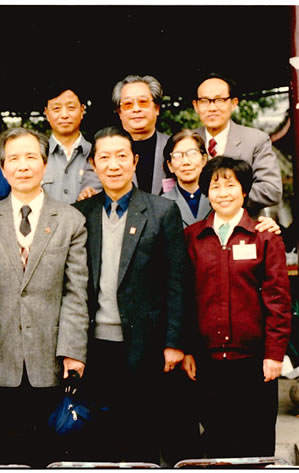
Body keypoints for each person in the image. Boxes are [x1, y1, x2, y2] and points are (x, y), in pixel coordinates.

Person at [73, 126, 187, 464]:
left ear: (135, 161)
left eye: (122, 156)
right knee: (98, 438)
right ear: (93, 164)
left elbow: (177, 281)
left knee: (141, 433)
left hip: (145, 345)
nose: (114, 165)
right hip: (94, 345)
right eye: (104, 157)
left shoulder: (162, 211)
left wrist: (174, 342)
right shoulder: (80, 214)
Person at [0, 127, 89, 468]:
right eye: (13, 158)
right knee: (6, 452)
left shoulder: (70, 219)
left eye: (30, 157)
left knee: (50, 453)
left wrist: (73, 352)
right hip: (0, 355)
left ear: (44, 164)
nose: (22, 166)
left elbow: (76, 292)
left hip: (50, 355)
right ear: (2, 167)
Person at [183, 156, 291, 458]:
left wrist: (274, 353)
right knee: (216, 443)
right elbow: (185, 299)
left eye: (230, 185)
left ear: (244, 190)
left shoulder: (264, 236)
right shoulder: (193, 237)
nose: (223, 193)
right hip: (208, 361)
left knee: (255, 443)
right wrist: (188, 349)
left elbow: (278, 300)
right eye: (215, 186)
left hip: (254, 360)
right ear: (206, 192)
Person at [192, 74, 283, 214]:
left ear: (233, 103)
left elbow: (271, 190)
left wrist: (225, 197)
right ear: (196, 106)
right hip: (195, 224)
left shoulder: (256, 140)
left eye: (219, 100)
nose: (212, 108)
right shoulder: (187, 141)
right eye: (204, 101)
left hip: (243, 223)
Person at [40, 84, 101, 202]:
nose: (64, 115)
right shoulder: (36, 155)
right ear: (47, 113)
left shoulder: (98, 154)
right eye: (56, 108)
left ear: (82, 110)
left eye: (71, 108)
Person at [112, 74, 170, 195]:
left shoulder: (173, 147)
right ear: (120, 113)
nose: (136, 109)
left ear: (157, 108)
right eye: (128, 104)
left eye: (143, 102)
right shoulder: (107, 151)